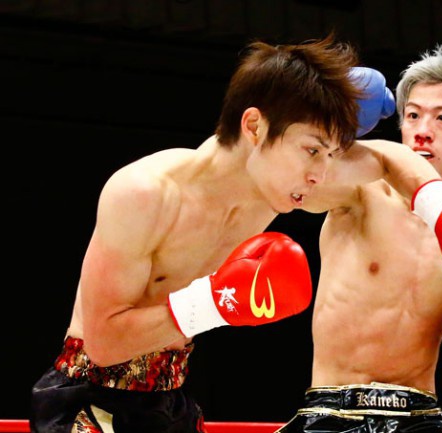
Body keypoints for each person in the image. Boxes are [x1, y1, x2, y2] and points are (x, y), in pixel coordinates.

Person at [29, 34, 401, 433]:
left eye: (329, 156)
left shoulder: (272, 192)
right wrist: (216, 303)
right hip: (88, 399)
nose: (320, 175)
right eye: (312, 150)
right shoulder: (145, 193)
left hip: (170, 400)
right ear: (254, 126)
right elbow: (103, 345)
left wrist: (436, 200)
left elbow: (385, 163)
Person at [278, 46, 442, 433]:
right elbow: (294, 183)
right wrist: (325, 126)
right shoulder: (363, 188)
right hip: (332, 412)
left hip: (420, 417)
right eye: (412, 115)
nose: (422, 130)